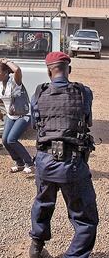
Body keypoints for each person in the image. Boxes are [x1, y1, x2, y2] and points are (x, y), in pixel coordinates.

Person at [28, 52, 99, 258]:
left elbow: (35, 124)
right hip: (73, 163)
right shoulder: (83, 92)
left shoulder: (39, 93)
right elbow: (88, 121)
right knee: (85, 218)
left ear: (49, 71)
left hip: (44, 161)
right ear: (69, 70)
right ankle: (74, 255)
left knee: (43, 203)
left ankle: (36, 246)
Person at [0, 59, 34, 173]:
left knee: (12, 139)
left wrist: (7, 62)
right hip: (11, 115)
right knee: (5, 140)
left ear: (6, 73)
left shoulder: (15, 81)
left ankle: (29, 162)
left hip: (23, 115)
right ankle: (19, 163)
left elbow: (17, 70)